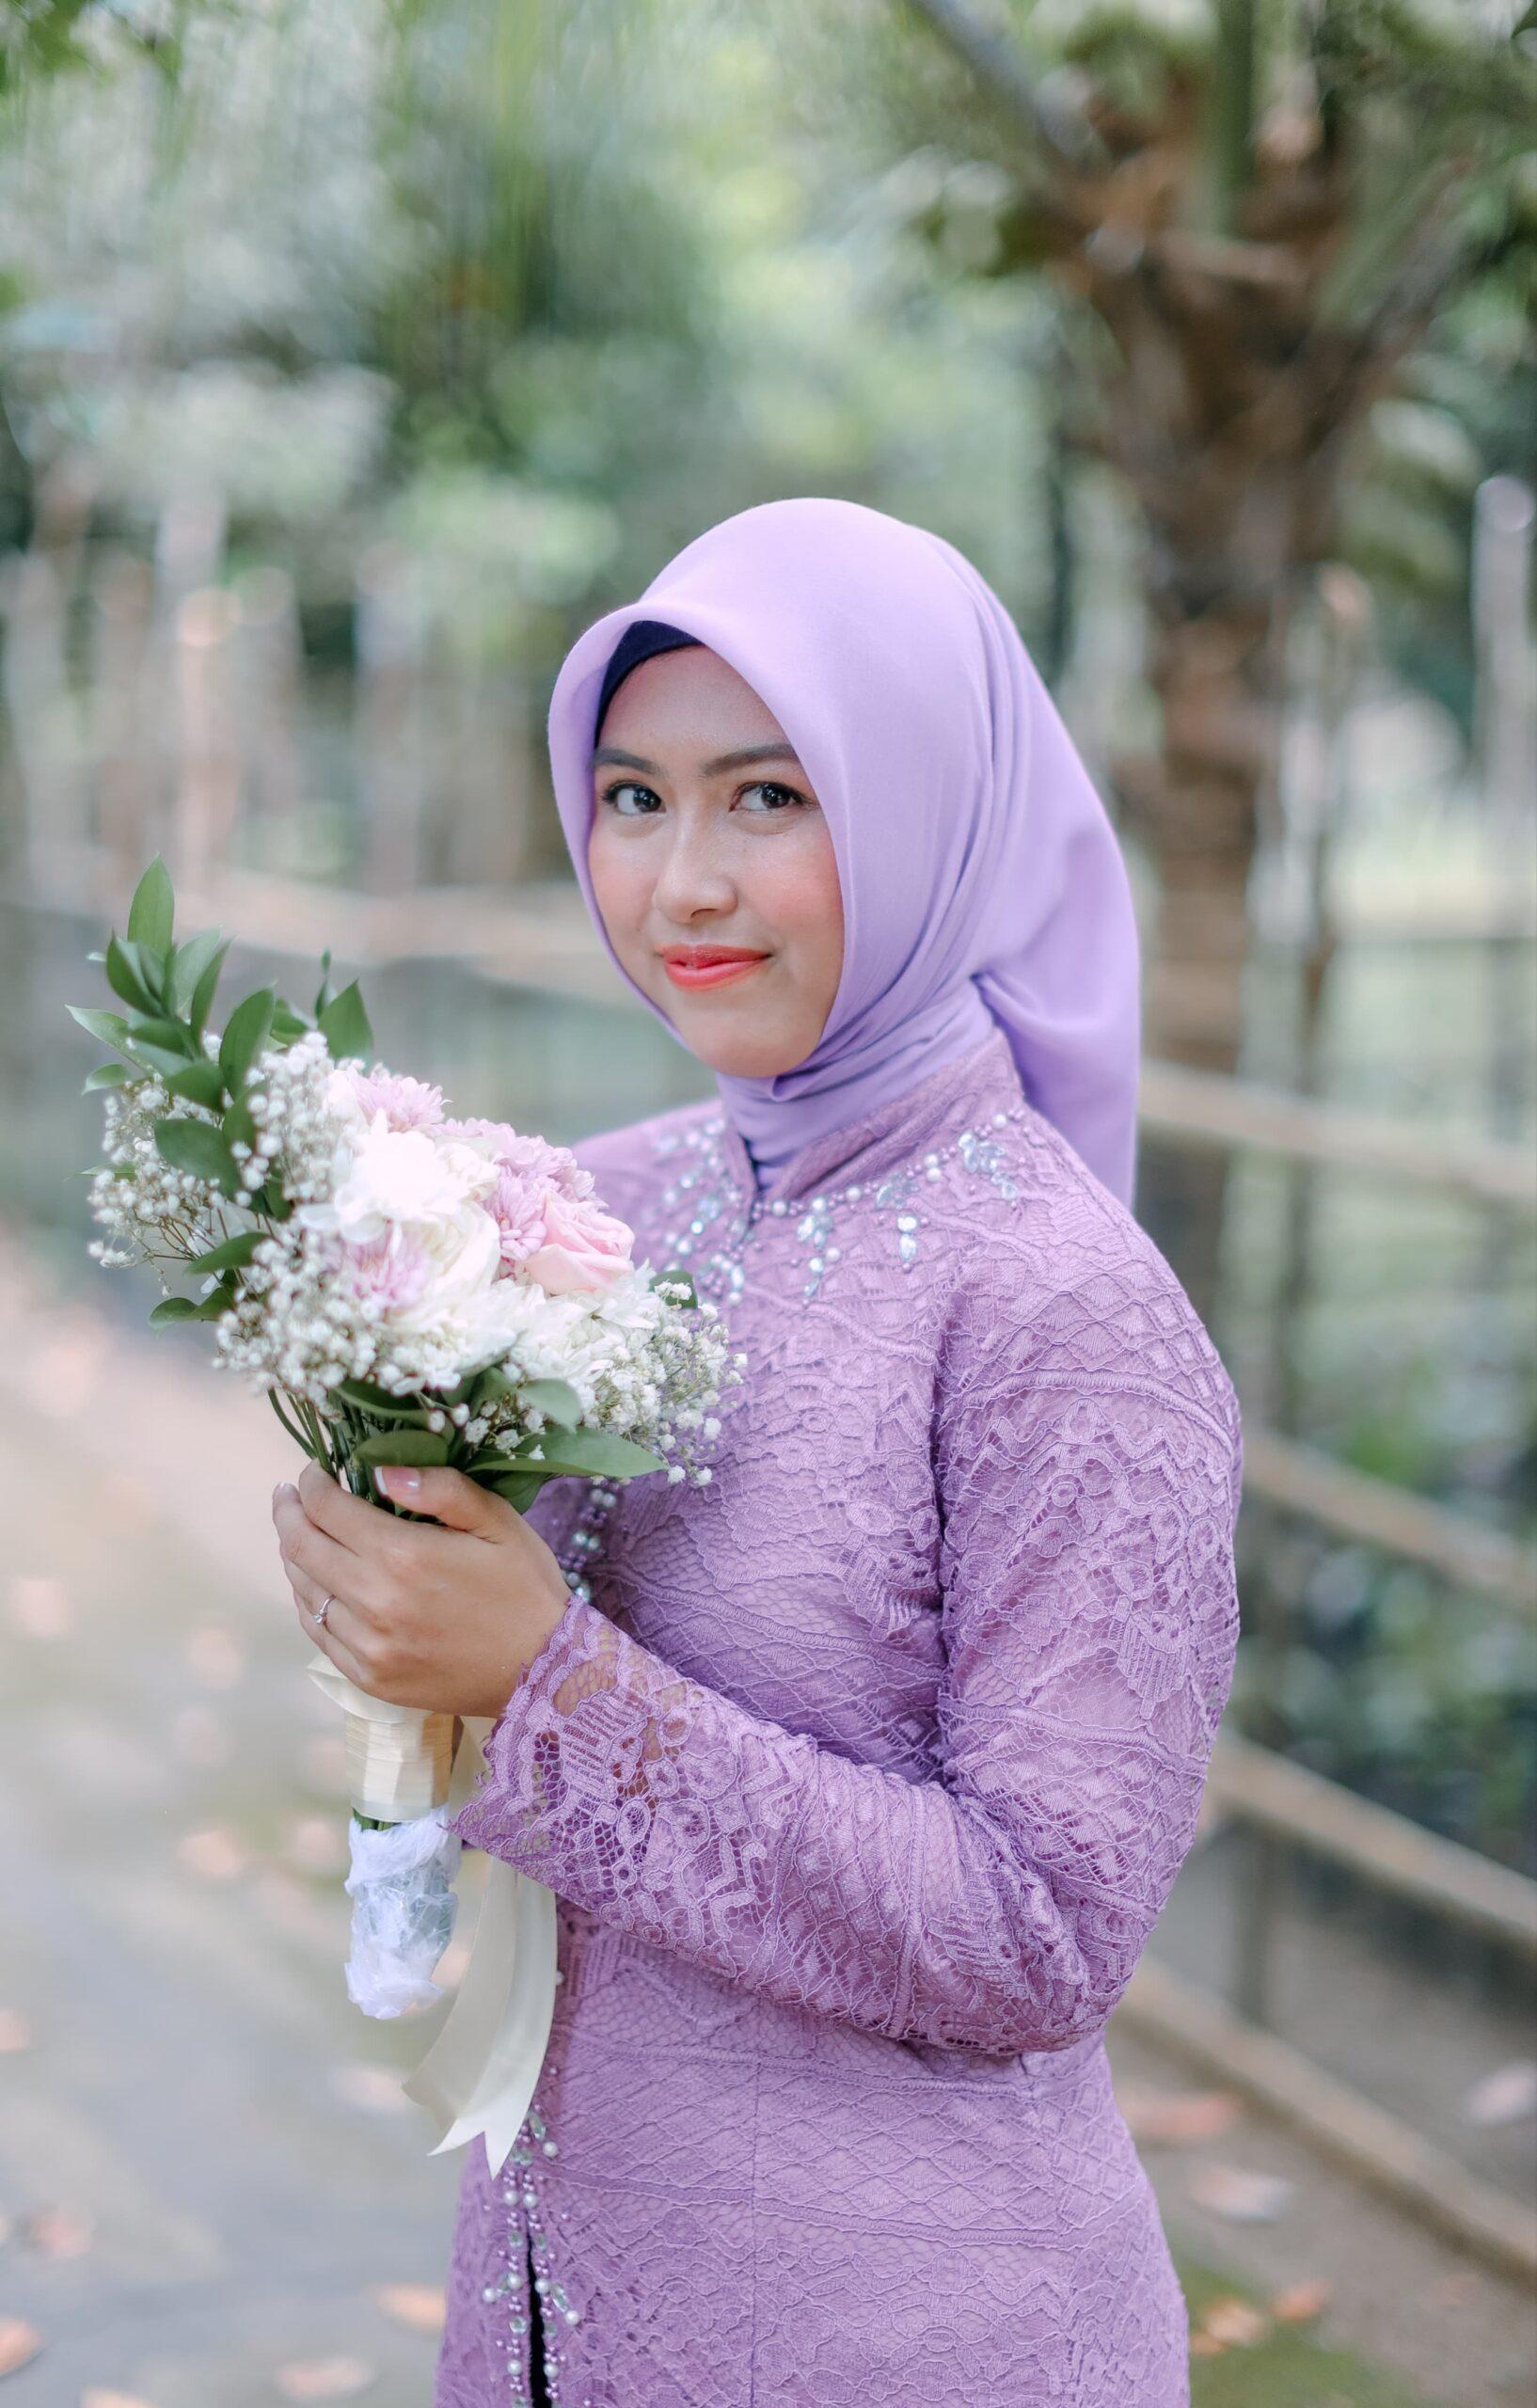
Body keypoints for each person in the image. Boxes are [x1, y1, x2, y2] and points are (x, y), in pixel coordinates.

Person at [274, 497, 1243, 2405]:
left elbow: (1043, 1935)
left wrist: (543, 1685)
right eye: (632, 799)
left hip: (907, 2335)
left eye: (769, 798)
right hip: (557, 2286)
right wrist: (379, 1549)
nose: (681, 885)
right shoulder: (603, 1208)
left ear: (921, 807)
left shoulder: (1065, 1313)